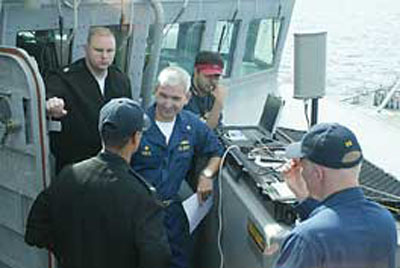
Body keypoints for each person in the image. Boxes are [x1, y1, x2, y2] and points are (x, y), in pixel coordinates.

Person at [25, 98, 171, 268]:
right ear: (136, 138)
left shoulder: (68, 176)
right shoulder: (142, 196)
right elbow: (157, 258)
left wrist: (68, 253)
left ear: (101, 132)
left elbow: (35, 231)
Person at [131, 66, 224, 268]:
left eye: (175, 99)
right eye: (163, 96)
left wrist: (207, 174)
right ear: (155, 90)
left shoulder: (191, 126)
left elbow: (217, 150)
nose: (167, 104)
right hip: (140, 214)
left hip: (173, 212)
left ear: (187, 98)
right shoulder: (136, 124)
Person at [276, 123, 397, 268]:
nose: (301, 171)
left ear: (317, 174)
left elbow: (321, 232)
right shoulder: (384, 220)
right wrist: (304, 197)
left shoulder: (306, 239)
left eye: (302, 166)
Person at [46, 26, 132, 172]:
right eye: (98, 50)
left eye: (110, 51)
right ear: (86, 49)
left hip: (110, 164)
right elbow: (51, 97)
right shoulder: (65, 79)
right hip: (75, 165)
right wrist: (52, 105)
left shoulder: (121, 79)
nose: (104, 56)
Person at [184, 51, 227, 130]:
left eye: (216, 77)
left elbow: (218, 127)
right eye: (208, 76)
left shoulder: (213, 93)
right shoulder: (182, 94)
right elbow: (202, 134)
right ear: (196, 72)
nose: (213, 81)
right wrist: (218, 104)